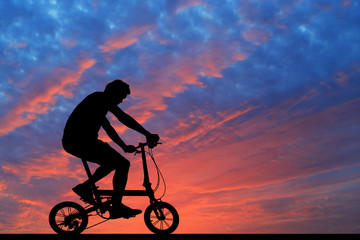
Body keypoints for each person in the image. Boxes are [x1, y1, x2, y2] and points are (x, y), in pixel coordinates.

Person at [62, 79, 159, 219]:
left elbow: (109, 129)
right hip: (79, 141)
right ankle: (116, 206)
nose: (121, 101)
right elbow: (123, 117)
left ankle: (85, 188)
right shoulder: (99, 98)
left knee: (114, 163)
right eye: (121, 97)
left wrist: (124, 146)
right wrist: (147, 134)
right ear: (114, 93)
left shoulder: (98, 105)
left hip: (78, 142)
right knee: (123, 164)